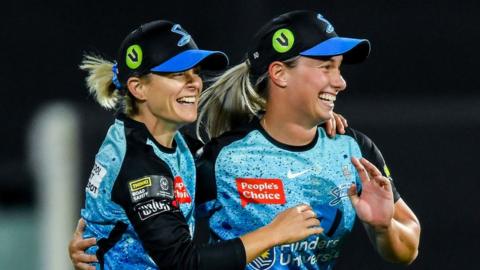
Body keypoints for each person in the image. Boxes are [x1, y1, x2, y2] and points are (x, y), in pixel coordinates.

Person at [75, 19, 325, 270]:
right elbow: (183, 263)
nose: (195, 83)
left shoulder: (166, 141)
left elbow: (237, 153)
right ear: (139, 88)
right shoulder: (139, 164)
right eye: (178, 74)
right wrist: (274, 234)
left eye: (195, 72)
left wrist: (314, 121)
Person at [195, 10, 421, 270]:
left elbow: (408, 249)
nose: (341, 82)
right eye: (326, 67)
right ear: (279, 73)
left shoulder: (352, 149)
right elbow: (168, 252)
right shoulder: (224, 158)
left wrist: (384, 228)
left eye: (339, 68)